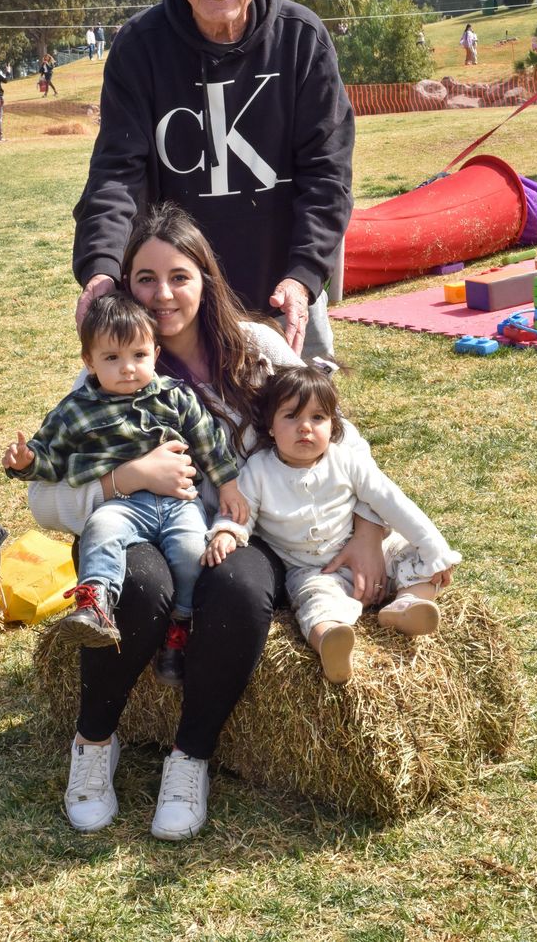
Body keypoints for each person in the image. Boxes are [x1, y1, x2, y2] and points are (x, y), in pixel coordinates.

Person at [28, 204, 387, 839]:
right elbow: (43, 502)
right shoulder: (115, 360)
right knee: (141, 588)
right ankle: (93, 743)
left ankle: (189, 758)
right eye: (144, 278)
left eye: (179, 276)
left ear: (206, 278)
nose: (162, 294)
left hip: (242, 527)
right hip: (130, 522)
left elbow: (344, 441)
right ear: (125, 285)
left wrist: (369, 532)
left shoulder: (258, 349)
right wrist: (127, 477)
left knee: (242, 589)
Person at [72, 0, 355, 361]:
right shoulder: (139, 49)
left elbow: (327, 175)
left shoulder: (302, 41)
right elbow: (117, 174)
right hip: (175, 307)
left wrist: (303, 277)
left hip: (283, 298)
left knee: (303, 431)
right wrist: (102, 267)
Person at [3, 291, 246, 684]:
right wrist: (27, 463)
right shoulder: (76, 410)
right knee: (101, 529)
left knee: (191, 551)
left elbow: (209, 444)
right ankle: (96, 602)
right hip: (124, 502)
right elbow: (52, 457)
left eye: (138, 355)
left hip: (178, 501)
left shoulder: (175, 397)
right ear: (90, 362)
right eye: (112, 358)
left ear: (155, 351)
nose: (128, 368)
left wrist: (229, 487)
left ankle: (179, 627)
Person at [205, 364, 461, 684]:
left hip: (373, 549)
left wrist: (434, 546)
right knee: (316, 603)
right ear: (269, 426)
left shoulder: (345, 460)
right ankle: (331, 641)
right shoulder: (258, 472)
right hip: (314, 570)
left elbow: (392, 502)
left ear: (332, 424)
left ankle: (407, 606)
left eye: (317, 418)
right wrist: (228, 531)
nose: (305, 428)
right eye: (291, 417)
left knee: (418, 558)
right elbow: (238, 511)